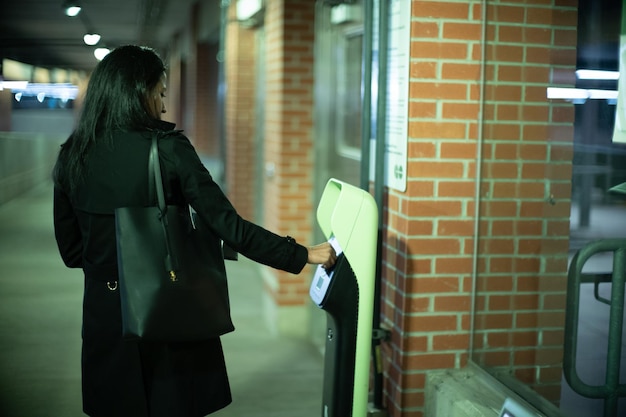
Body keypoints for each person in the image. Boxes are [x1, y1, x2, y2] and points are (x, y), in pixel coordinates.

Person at [52, 45, 336, 417]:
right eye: (160, 93)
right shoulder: (168, 150)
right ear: (141, 92)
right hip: (169, 312)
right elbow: (227, 225)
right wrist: (302, 254)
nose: (164, 105)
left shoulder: (73, 153)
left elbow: (72, 253)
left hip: (106, 318)